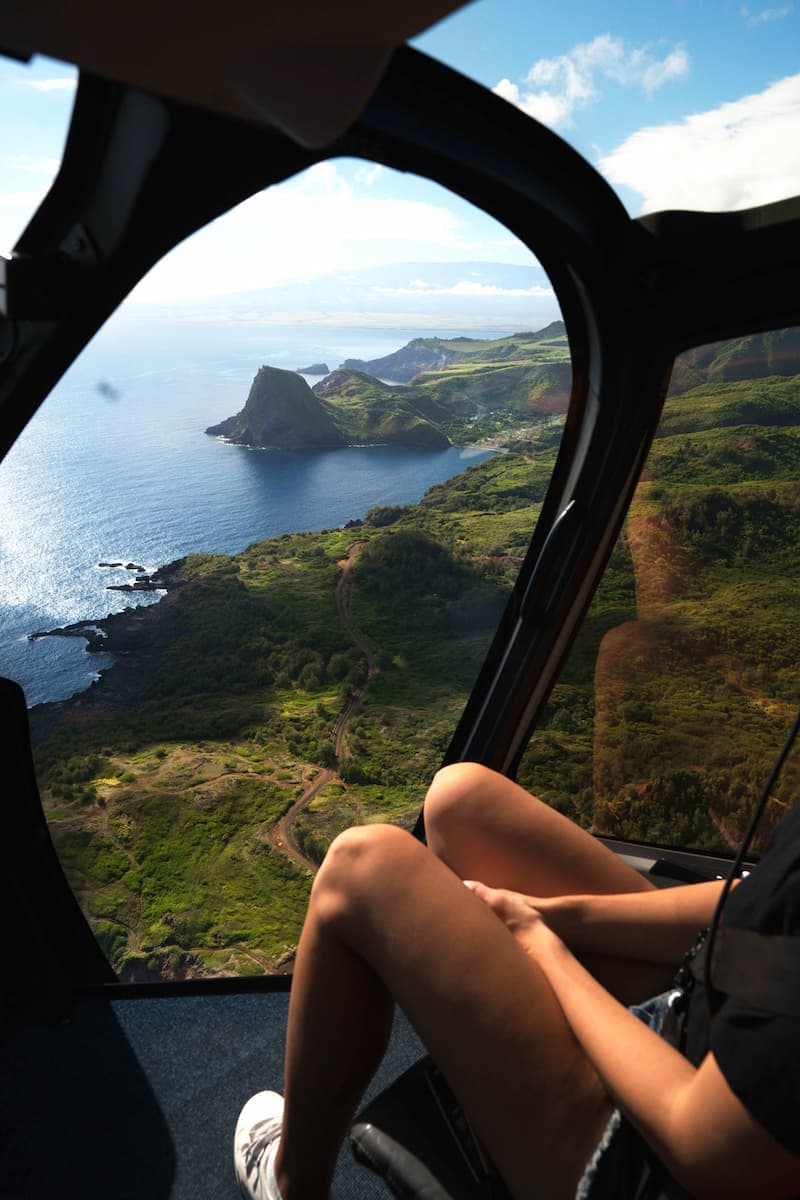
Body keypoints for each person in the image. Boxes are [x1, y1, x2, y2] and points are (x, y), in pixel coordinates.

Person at [233, 762, 800, 1199]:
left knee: (361, 867)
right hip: (708, 1003)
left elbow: (716, 1154)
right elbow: (760, 901)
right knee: (461, 801)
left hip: (662, 1161)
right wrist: (563, 915)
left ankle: (291, 1182)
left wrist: (548, 950)